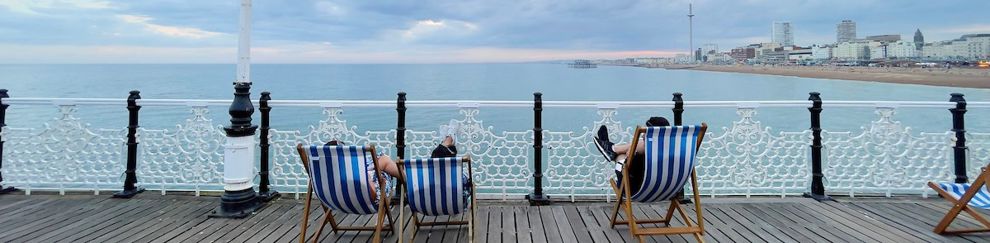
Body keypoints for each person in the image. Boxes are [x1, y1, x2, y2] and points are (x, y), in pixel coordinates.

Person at [323, 119, 466, 200]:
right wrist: (376, 180)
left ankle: (447, 143)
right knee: (384, 160)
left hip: (338, 200)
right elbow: (371, 194)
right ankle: (448, 142)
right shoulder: (353, 174)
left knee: (383, 159)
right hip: (363, 193)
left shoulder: (325, 178)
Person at [592, 116, 670, 194]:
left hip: (633, 190)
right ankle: (612, 149)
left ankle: (613, 150)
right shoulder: (674, 155)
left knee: (622, 156)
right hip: (666, 191)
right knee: (643, 144)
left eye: (647, 134)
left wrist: (631, 155)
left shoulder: (639, 160)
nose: (643, 136)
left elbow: (625, 171)